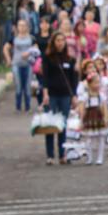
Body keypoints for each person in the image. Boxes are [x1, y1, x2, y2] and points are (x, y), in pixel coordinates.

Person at [37, 29, 78, 165]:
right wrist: (45, 94)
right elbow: (45, 77)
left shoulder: (70, 59)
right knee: (51, 124)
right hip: (52, 94)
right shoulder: (48, 57)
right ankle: (50, 155)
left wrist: (74, 96)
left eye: (62, 40)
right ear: (53, 42)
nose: (60, 43)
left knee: (63, 125)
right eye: (58, 40)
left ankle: (62, 154)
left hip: (65, 95)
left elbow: (73, 79)